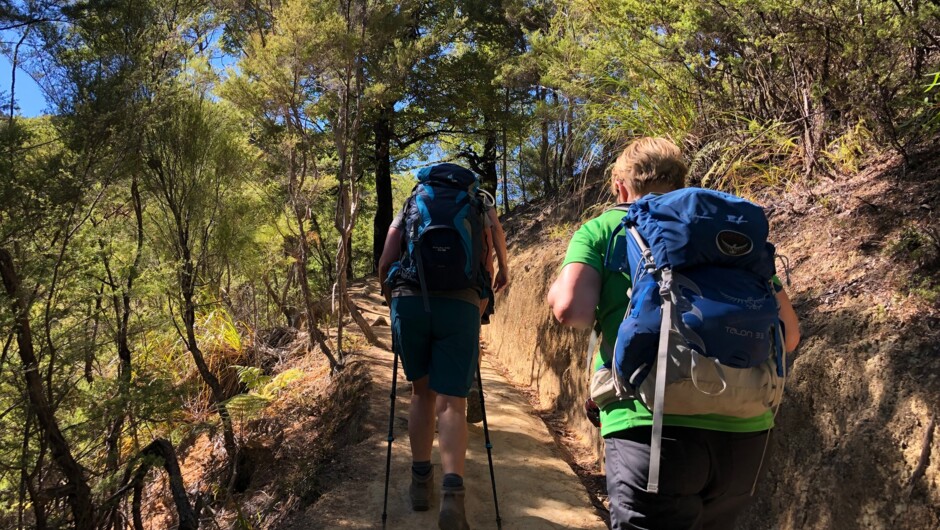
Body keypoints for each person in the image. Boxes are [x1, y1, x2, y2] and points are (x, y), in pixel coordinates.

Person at [547, 137, 800, 529]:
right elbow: (790, 333)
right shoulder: (727, 236)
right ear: (682, 182)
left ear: (620, 186)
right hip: (746, 433)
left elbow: (570, 311)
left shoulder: (604, 229)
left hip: (650, 422)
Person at [378, 163, 507, 530]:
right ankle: (453, 497)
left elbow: (387, 260)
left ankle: (421, 484)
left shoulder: (412, 202)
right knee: (453, 400)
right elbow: (492, 257)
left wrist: (395, 301)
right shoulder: (479, 204)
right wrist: (483, 299)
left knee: (422, 394)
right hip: (461, 303)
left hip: (410, 301)